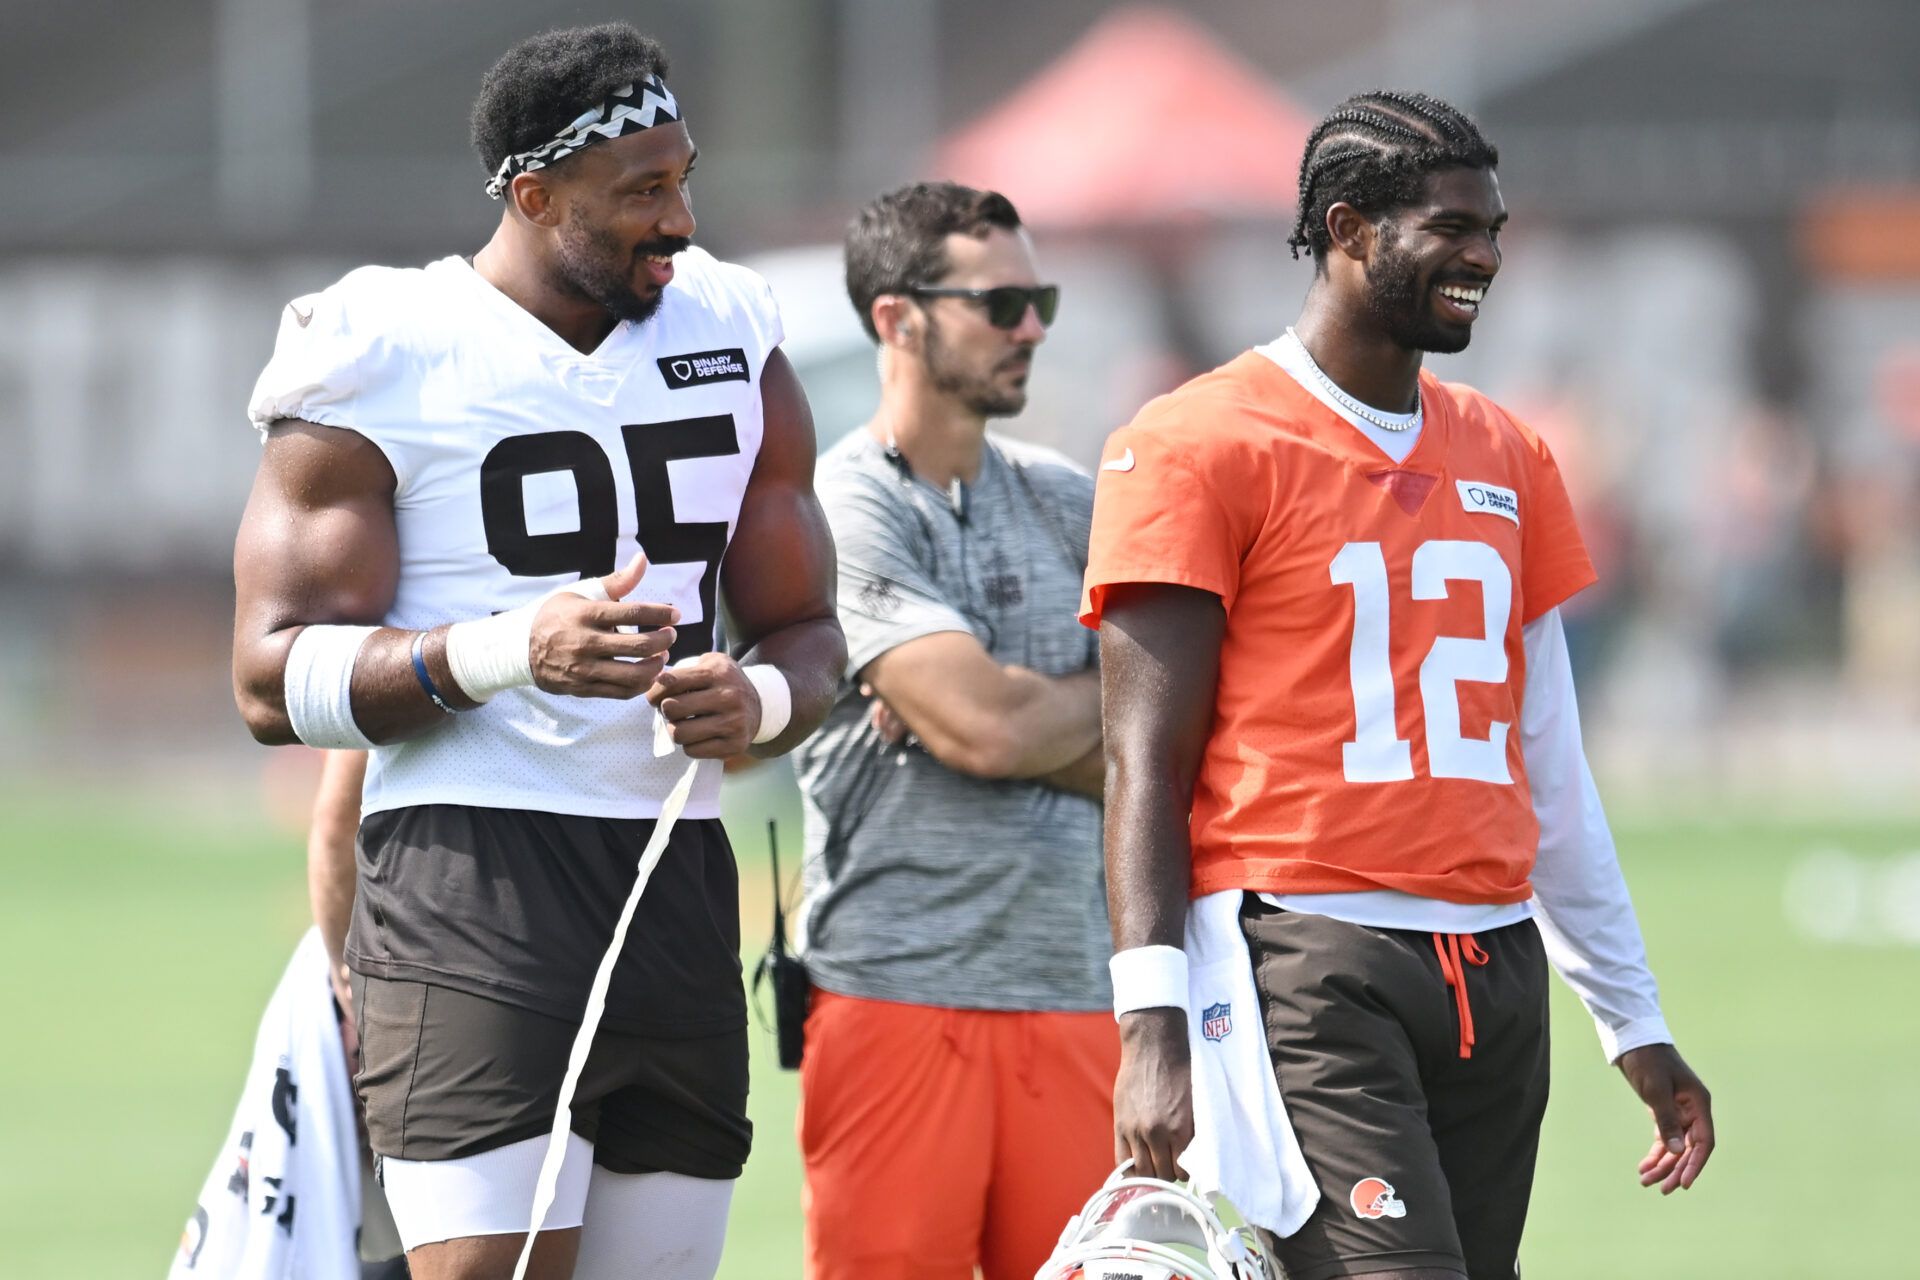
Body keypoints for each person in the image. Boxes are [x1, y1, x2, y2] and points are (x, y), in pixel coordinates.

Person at [229, 23, 846, 1280]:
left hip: (676, 870)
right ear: (534, 195)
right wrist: (510, 649)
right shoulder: (381, 344)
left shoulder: (733, 327)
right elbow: (267, 679)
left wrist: (762, 694)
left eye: (684, 179)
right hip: (472, 880)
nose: (679, 219)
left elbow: (811, 633)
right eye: (642, 192)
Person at [1085, 91, 1716, 1280]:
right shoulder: (1197, 441)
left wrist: (1632, 1018)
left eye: (1494, 229)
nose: (1484, 255)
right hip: (1311, 957)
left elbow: (1550, 763)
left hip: (1494, 966)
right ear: (1350, 229)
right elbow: (1143, 764)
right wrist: (1150, 1021)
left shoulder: (1510, 451)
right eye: (1452, 227)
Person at [788, 181, 1117, 1280]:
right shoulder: (843, 501)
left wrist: (1009, 714)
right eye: (1002, 302)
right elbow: (985, 726)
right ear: (898, 316)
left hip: (1084, 993)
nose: (1030, 327)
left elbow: (1179, 739)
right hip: (893, 994)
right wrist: (1070, 709)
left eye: (1041, 301)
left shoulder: (1072, 499)